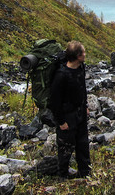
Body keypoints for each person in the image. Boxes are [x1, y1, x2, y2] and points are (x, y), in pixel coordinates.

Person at [49, 41, 91, 179]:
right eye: (83, 52)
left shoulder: (80, 67)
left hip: (80, 113)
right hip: (67, 116)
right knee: (65, 146)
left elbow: (82, 89)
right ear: (77, 56)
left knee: (83, 144)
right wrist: (61, 121)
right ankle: (63, 175)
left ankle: (85, 172)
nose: (85, 54)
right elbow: (54, 101)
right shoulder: (61, 75)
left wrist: (85, 106)